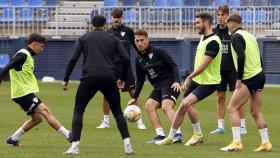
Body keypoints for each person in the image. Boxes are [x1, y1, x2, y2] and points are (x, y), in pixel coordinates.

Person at [62, 15, 134, 155]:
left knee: (79, 110)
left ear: (91, 25)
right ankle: (127, 145)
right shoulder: (113, 39)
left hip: (89, 77)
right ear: (105, 25)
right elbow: (126, 58)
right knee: (118, 112)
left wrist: (66, 78)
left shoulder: (84, 38)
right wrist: (123, 78)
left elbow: (73, 58)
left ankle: (75, 146)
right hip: (109, 78)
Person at [156, 12, 222, 146]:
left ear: (206, 23)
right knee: (183, 106)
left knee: (186, 103)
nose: (196, 25)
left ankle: (197, 134)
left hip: (210, 82)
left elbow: (204, 65)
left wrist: (188, 78)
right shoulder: (204, 38)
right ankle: (172, 137)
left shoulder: (214, 41)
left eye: (198, 23)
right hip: (199, 80)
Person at [0, 33, 71, 147]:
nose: (42, 50)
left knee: (37, 119)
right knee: (46, 111)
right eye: (41, 47)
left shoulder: (27, 55)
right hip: (22, 93)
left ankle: (13, 138)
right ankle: (69, 135)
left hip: (23, 93)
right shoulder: (23, 55)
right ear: (34, 44)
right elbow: (7, 68)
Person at [220, 14, 272, 152]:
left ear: (232, 23)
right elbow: (260, 59)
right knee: (255, 111)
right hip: (259, 75)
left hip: (249, 77)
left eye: (227, 23)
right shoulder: (250, 36)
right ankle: (266, 143)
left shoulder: (235, 36)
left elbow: (241, 56)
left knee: (232, 108)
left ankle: (236, 142)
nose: (227, 26)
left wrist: (239, 78)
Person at [127, 29, 183, 144]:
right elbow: (140, 80)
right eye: (137, 41)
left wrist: (177, 81)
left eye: (142, 40)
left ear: (147, 40)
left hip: (170, 83)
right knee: (149, 106)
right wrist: (135, 97)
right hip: (158, 86)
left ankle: (178, 134)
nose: (139, 43)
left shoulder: (159, 51)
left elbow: (173, 66)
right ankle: (160, 135)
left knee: (166, 106)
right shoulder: (138, 60)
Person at [96, 8, 146, 130]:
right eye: (114, 17)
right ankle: (106, 122)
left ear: (122, 18)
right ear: (111, 18)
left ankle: (140, 121)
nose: (116, 19)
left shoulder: (128, 31)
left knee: (133, 93)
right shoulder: (107, 33)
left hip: (126, 67)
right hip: (111, 68)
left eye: (118, 17)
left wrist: (144, 59)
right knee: (107, 94)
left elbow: (137, 46)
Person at [210, 5, 247, 135]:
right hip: (219, 70)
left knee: (236, 98)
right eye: (218, 15)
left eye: (223, 15)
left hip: (233, 70)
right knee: (220, 98)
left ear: (228, 16)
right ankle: (220, 126)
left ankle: (242, 126)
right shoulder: (213, 32)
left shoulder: (234, 32)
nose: (220, 17)